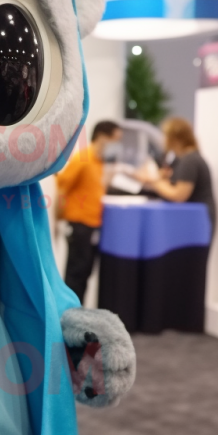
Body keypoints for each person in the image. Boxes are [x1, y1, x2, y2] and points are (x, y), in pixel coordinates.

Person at [56, 120, 123, 301]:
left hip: (93, 224)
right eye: (115, 139)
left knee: (85, 272)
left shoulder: (100, 162)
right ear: (102, 137)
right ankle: (70, 311)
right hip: (79, 224)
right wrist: (58, 220)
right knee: (76, 274)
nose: (117, 144)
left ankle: (78, 310)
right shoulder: (82, 159)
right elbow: (62, 188)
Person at [144, 117, 216, 235]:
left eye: (165, 136)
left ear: (174, 139)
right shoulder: (186, 159)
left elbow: (179, 195)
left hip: (195, 223)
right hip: (193, 221)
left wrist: (154, 182)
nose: (163, 140)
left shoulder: (189, 161)